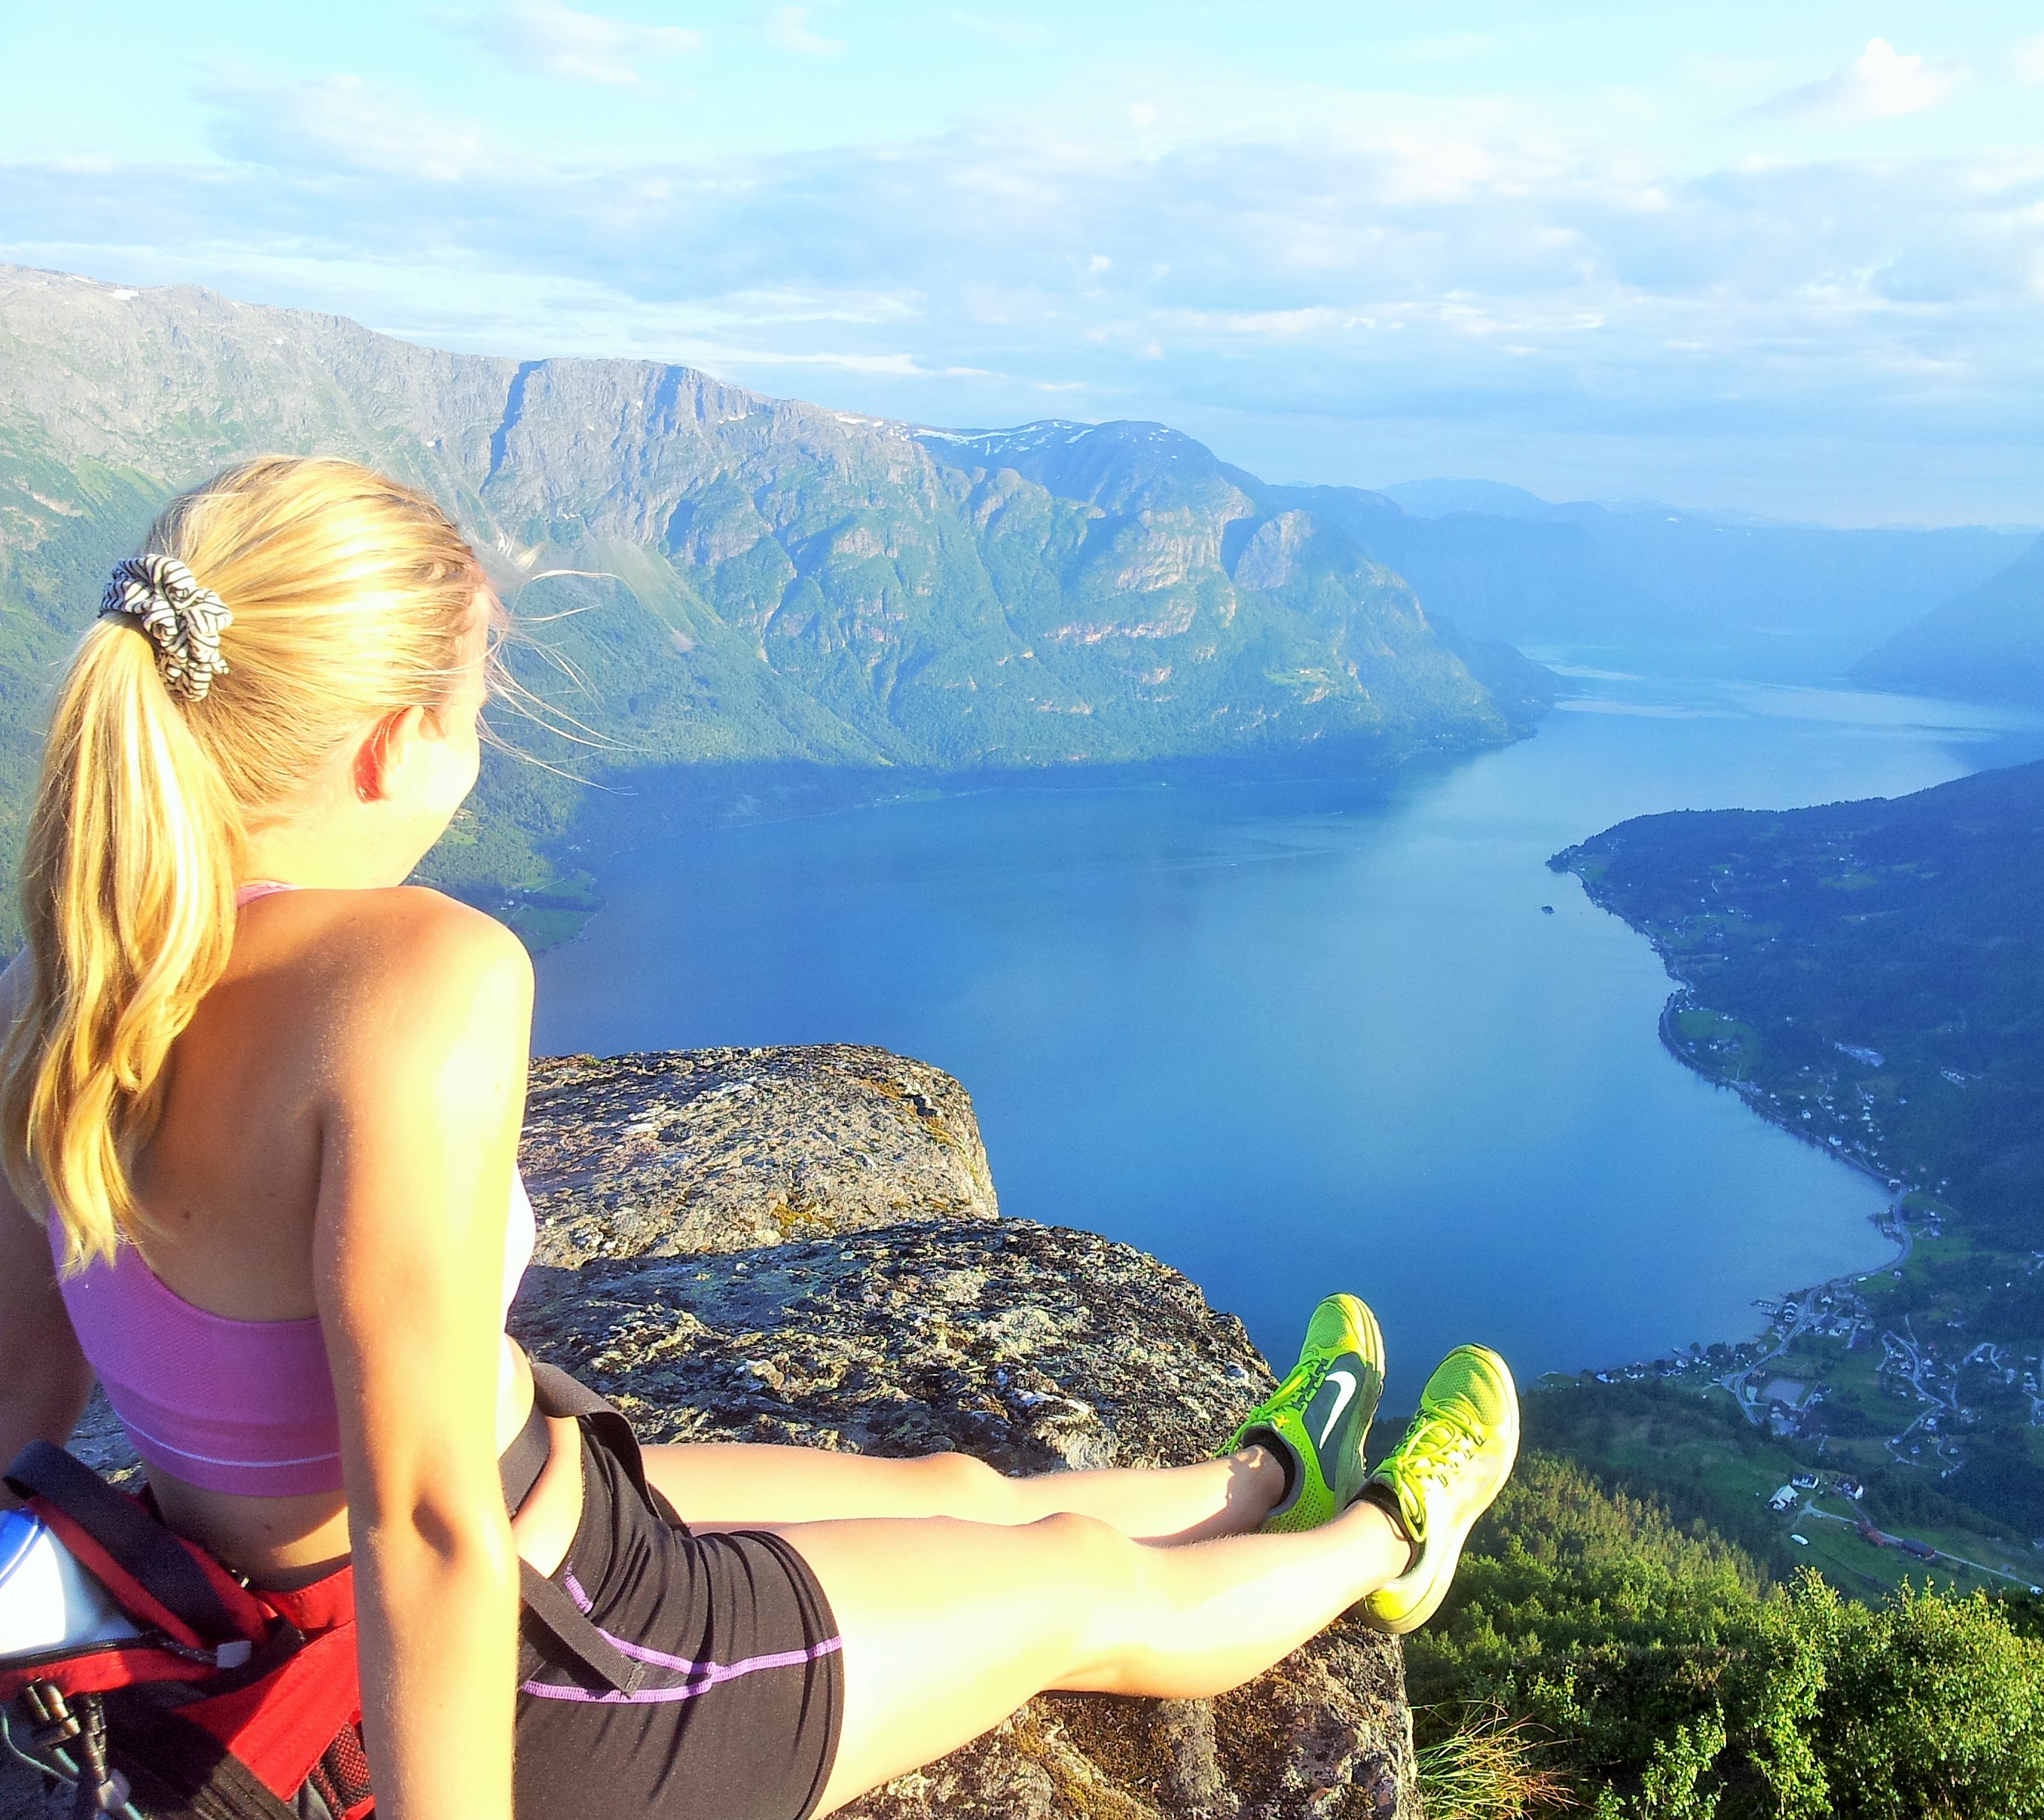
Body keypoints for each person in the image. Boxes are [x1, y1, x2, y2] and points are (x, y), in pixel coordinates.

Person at [0, 456, 1521, 1820]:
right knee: (1074, 1590)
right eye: (479, 714)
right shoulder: (417, 981)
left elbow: (21, 1403)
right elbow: (417, 1518)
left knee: (959, 1495)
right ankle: (1393, 1536)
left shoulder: (59, 980)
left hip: (457, 1530)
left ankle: (1264, 1483)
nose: (479, 752)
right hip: (557, 1656)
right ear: (396, 744)